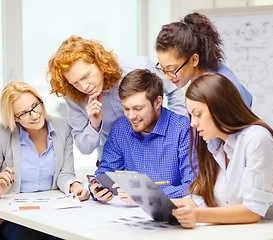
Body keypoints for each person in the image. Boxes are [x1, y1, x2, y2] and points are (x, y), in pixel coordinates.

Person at [171, 72, 273, 228]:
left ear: (219, 108)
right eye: (191, 116)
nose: (193, 123)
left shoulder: (257, 139)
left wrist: (198, 215)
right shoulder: (214, 144)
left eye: (198, 114)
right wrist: (169, 206)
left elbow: (253, 211)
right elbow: (203, 198)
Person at [0, 81, 90, 240]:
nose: (35, 115)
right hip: (16, 217)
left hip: (53, 211)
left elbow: (65, 174)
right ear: (14, 118)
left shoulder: (63, 127)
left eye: (35, 105)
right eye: (23, 113)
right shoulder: (0, 133)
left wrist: (74, 185)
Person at [46, 35, 187, 162]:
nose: (83, 86)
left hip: (159, 150)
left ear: (99, 63)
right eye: (75, 82)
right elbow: (84, 148)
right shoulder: (74, 97)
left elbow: (174, 92)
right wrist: (94, 125)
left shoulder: (138, 67)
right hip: (114, 159)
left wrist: (177, 134)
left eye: (86, 76)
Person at [89, 69, 195, 203]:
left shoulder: (182, 129)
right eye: (126, 108)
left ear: (157, 103)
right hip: (130, 215)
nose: (131, 116)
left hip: (172, 213)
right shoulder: (121, 127)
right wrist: (96, 189)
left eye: (138, 108)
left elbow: (193, 186)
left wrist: (147, 195)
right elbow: (106, 171)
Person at [155, 12, 252, 113]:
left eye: (172, 69)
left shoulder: (219, 87)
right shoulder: (202, 78)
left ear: (194, 60)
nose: (167, 77)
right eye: (162, 69)